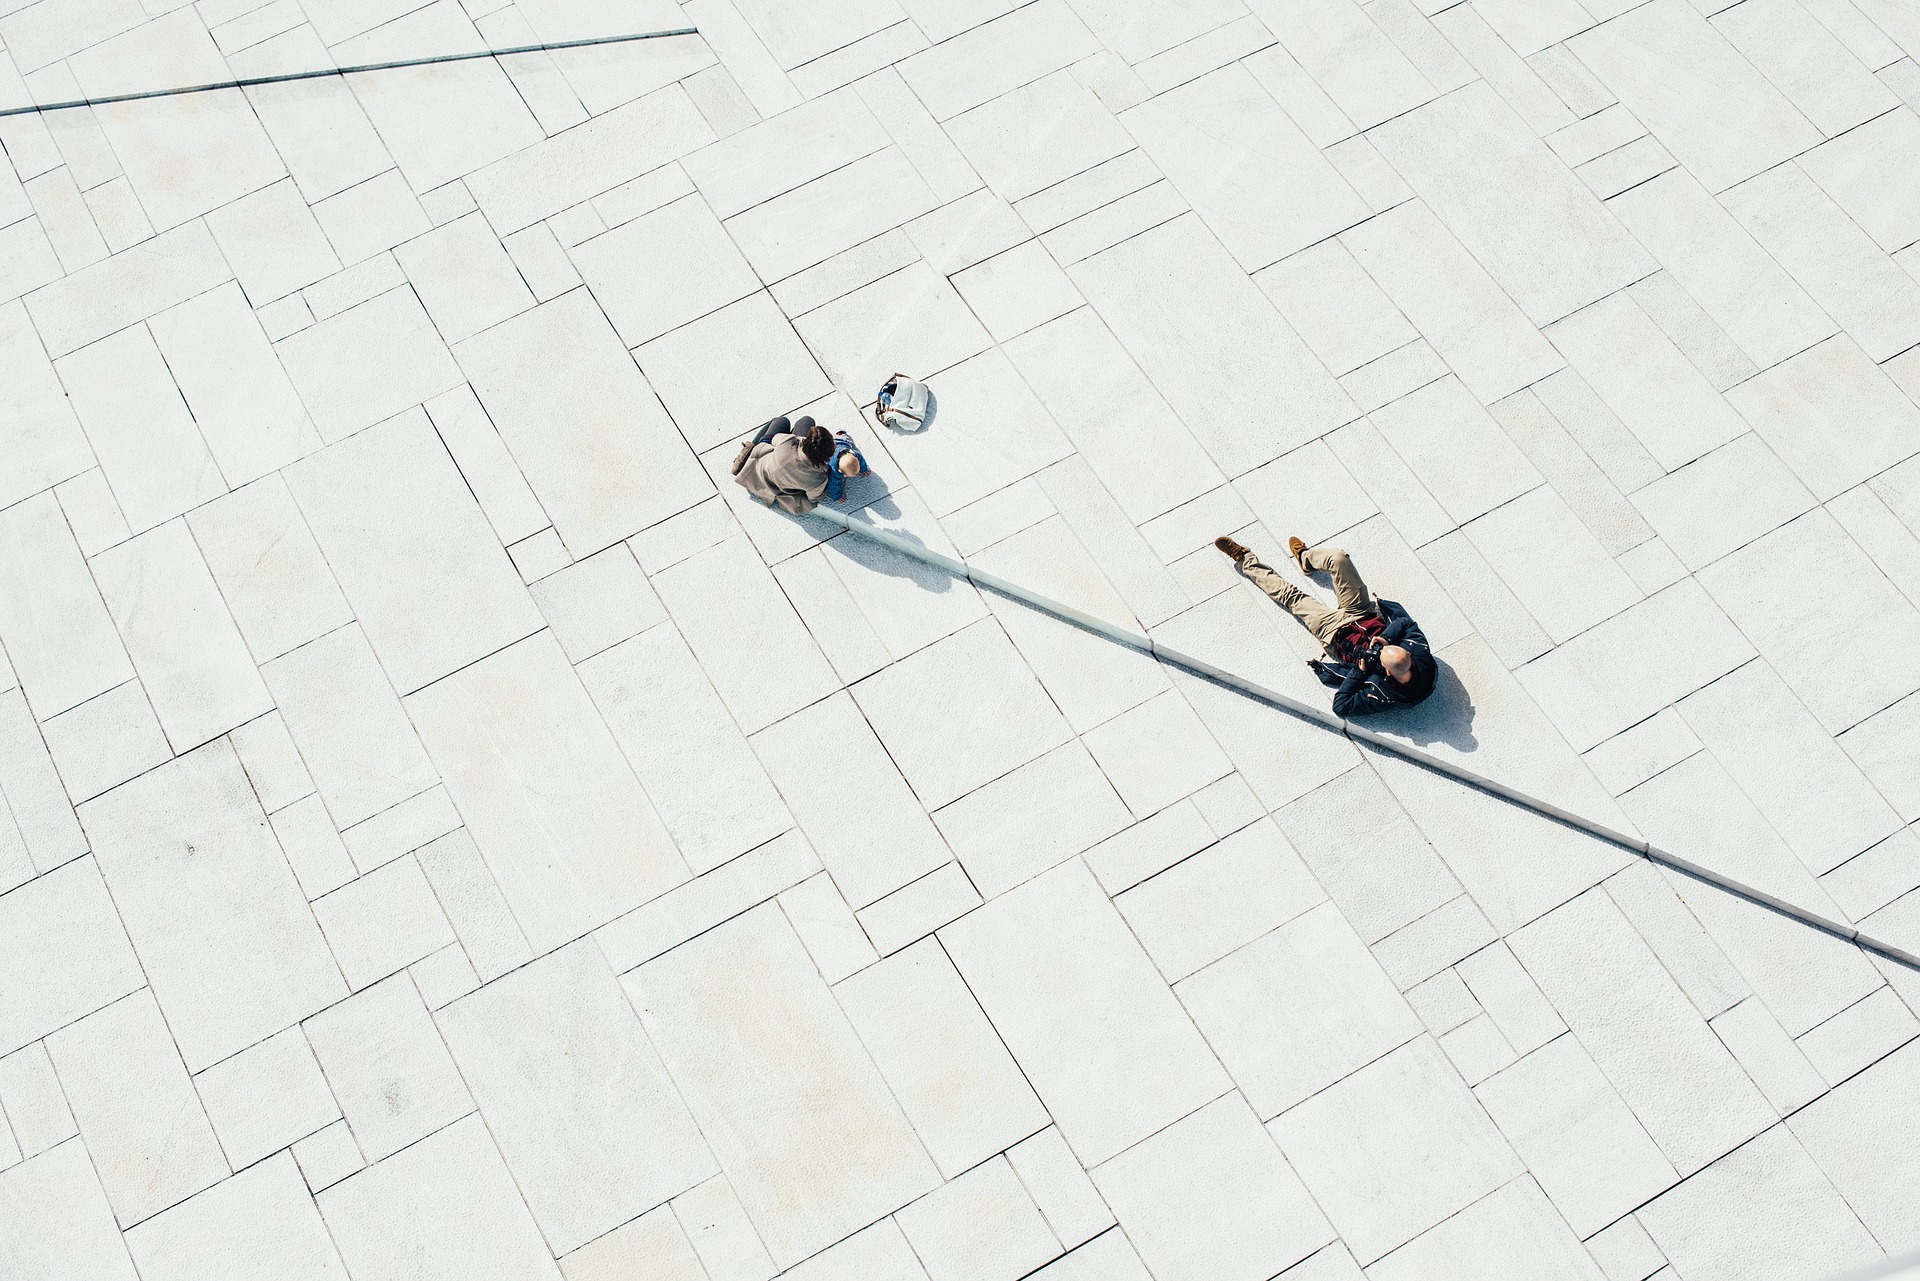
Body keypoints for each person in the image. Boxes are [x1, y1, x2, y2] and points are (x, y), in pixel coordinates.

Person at [1215, 534, 1436, 717]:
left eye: (1381, 654)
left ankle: (1245, 559)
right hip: (1363, 612)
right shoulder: (1421, 655)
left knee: (1290, 595)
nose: (1379, 649)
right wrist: (1386, 638)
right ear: (1407, 654)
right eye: (1392, 647)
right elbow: (1405, 623)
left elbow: (1341, 707)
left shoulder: (1383, 694)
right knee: (1338, 559)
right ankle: (1305, 558)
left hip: (1334, 633)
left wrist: (1360, 671)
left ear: (1387, 671)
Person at [731, 415, 838, 515]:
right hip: (777, 489)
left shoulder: (787, 442)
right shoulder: (818, 480)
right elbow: (813, 498)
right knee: (804, 423)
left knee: (784, 421)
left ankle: (746, 453)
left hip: (755, 471)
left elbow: (775, 439)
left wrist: (798, 440)